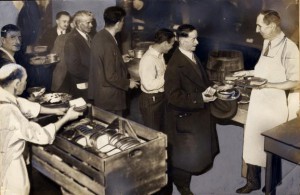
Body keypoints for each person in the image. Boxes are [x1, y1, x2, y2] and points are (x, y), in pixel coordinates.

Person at [234, 10, 299, 194]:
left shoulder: (290, 48)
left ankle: (271, 185)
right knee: (251, 142)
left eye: (259, 26)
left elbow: (296, 81)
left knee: (270, 147)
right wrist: (247, 73)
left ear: (271, 26)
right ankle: (252, 182)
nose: (256, 30)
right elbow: (264, 70)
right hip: (257, 100)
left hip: (274, 104)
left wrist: (268, 85)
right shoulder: (267, 42)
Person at [0, 63, 82, 195]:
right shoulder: (9, 112)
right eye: (25, 81)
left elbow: (22, 104)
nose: (26, 85)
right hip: (9, 166)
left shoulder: (3, 96)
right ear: (16, 83)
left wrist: (56, 111)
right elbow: (40, 135)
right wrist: (66, 118)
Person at [164, 24, 220, 195]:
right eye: (193, 39)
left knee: (194, 154)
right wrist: (200, 98)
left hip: (197, 114)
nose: (197, 42)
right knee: (183, 157)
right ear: (181, 40)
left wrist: (213, 87)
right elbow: (173, 97)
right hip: (185, 118)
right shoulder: (174, 65)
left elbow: (201, 81)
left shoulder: (191, 56)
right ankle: (182, 186)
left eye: (197, 37)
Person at [88, 6, 139, 116]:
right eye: (123, 21)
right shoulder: (108, 43)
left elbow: (103, 61)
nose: (123, 24)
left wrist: (120, 58)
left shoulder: (100, 36)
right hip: (110, 99)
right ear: (117, 23)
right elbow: (110, 76)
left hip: (101, 95)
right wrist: (128, 83)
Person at [138, 28, 175, 131]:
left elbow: (159, 73)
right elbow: (148, 85)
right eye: (171, 44)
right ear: (164, 43)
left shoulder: (160, 55)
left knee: (162, 130)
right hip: (151, 101)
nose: (172, 47)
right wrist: (168, 74)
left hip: (160, 97)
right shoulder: (148, 59)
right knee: (153, 134)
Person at [65, 10, 94, 100]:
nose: (91, 25)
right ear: (78, 23)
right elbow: (74, 68)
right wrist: (95, 75)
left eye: (91, 22)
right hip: (81, 85)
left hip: (90, 82)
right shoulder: (72, 41)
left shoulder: (87, 36)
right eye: (88, 23)